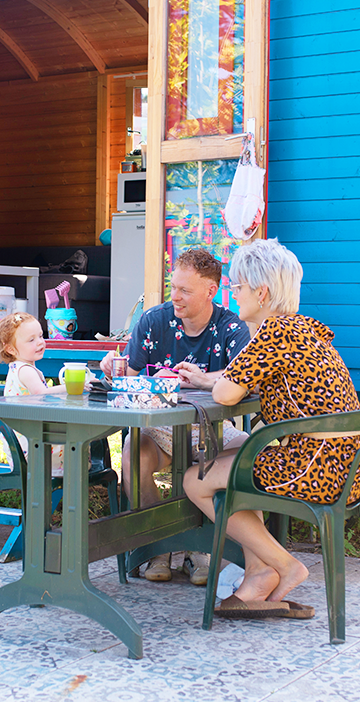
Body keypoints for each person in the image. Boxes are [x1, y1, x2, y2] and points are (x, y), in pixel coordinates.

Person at [183, 238, 360, 620]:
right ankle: (259, 575)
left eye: (238, 287)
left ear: (261, 292)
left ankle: (283, 565)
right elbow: (238, 381)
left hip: (314, 467)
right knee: (233, 458)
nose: (234, 296)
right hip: (346, 465)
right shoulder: (303, 331)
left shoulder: (272, 333)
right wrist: (208, 381)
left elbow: (228, 392)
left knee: (195, 480)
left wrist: (211, 383)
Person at [99, 248, 250, 586]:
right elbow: (131, 376)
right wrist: (113, 368)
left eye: (185, 290)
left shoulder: (231, 328)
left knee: (251, 454)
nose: (175, 297)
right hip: (160, 427)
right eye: (173, 287)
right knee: (131, 458)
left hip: (212, 429)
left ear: (211, 290)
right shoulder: (154, 320)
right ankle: (159, 544)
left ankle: (204, 547)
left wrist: (205, 377)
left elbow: (245, 376)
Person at [0, 312, 83, 475]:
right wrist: (72, 387)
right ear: (10, 348)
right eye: (31, 340)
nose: (40, 342)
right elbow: (42, 394)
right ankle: (78, 474)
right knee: (79, 435)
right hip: (32, 448)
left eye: (41, 336)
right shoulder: (25, 370)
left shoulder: (18, 368)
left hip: (24, 442)